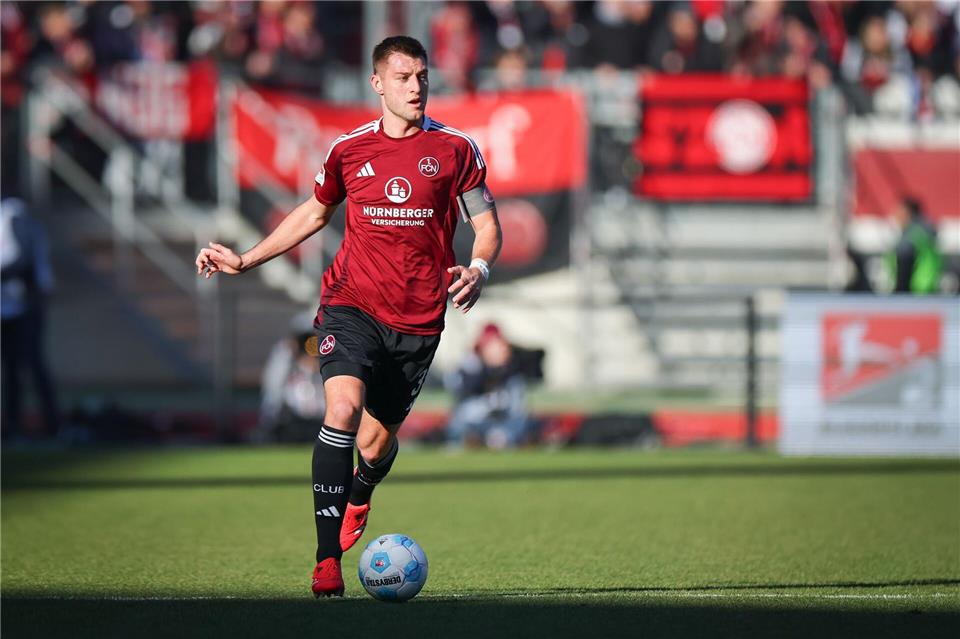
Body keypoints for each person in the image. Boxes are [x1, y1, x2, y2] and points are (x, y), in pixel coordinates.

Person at [195, 35, 502, 598]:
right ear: (378, 83)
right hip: (350, 304)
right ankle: (326, 559)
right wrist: (245, 259)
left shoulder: (456, 149)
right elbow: (315, 212)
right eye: (404, 77)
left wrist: (478, 269)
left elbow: (485, 224)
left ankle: (362, 489)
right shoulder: (348, 150)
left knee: (376, 443)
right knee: (341, 408)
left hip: (417, 322)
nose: (416, 87)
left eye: (423, 76)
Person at [1, 198, 60, 440]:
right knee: (12, 369)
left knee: (32, 365)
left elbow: (23, 260)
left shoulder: (12, 213)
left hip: (26, 304)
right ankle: (14, 424)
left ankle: (52, 424)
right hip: (8, 305)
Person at [445, 322, 541, 449]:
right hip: (473, 421)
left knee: (515, 397)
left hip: (502, 421)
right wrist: (486, 367)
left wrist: (502, 367)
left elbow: (536, 370)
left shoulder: (512, 367)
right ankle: (469, 439)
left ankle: (501, 438)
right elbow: (462, 392)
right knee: (463, 419)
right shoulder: (471, 365)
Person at [886, 197, 942, 294]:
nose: (896, 217)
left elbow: (904, 262)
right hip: (928, 288)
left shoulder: (910, 237)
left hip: (914, 291)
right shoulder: (926, 232)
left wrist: (899, 291)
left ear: (907, 214)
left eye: (899, 213)